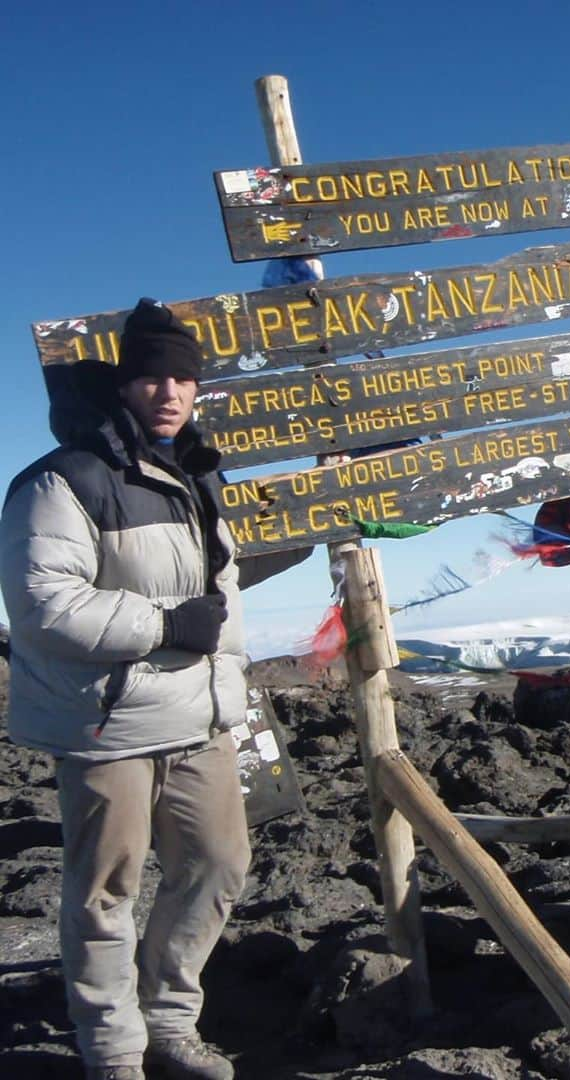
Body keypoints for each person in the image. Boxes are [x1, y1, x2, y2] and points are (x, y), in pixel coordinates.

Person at [0, 299, 309, 1080]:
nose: (168, 392)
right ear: (123, 385)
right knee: (108, 887)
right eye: (151, 378)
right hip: (106, 725)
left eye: (182, 378)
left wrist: (226, 688)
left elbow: (223, 597)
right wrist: (168, 626)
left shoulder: (196, 477)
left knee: (218, 864)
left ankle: (170, 1021)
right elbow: (44, 606)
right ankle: (114, 1050)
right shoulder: (62, 481)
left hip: (201, 719)